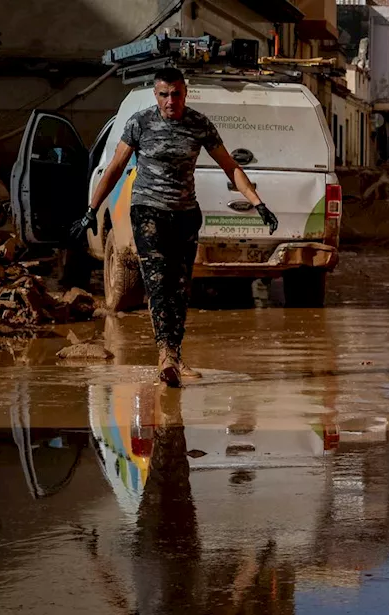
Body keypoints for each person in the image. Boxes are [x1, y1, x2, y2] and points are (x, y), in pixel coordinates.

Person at [72, 67, 277, 388]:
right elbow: (114, 168)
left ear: (186, 93)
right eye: (164, 95)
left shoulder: (198, 124)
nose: (170, 101)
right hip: (148, 213)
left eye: (176, 94)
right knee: (157, 282)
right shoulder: (139, 123)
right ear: (156, 95)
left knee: (180, 289)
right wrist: (91, 210)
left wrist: (258, 202)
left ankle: (175, 356)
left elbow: (230, 166)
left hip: (184, 216)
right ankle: (165, 353)